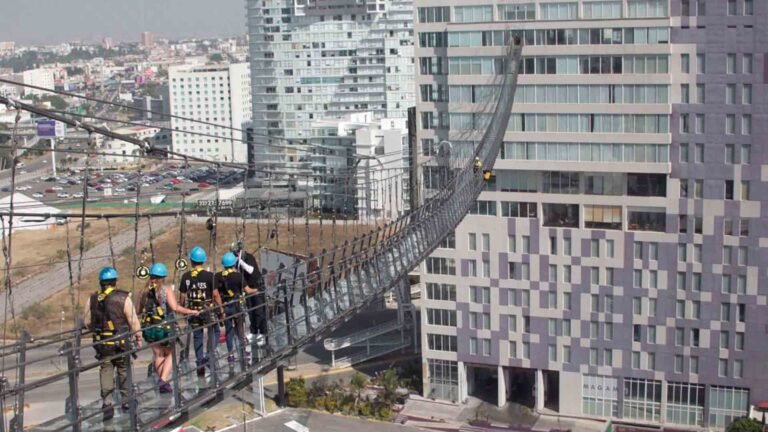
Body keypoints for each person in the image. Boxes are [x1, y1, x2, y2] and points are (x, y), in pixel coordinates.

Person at [83, 267, 142, 421]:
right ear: (115, 282)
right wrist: (138, 336)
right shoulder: (123, 298)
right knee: (123, 370)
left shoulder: (93, 299)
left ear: (101, 282)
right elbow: (132, 319)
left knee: (106, 370)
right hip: (121, 343)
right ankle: (127, 400)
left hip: (103, 343)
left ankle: (107, 402)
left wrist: (97, 330)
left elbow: (87, 322)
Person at [139, 263, 199, 393]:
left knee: (158, 354)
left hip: (149, 328)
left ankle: (162, 383)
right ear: (163, 277)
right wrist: (191, 311)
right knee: (173, 352)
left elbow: (139, 310)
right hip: (164, 327)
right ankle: (163, 380)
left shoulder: (144, 291)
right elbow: (175, 307)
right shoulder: (166, 290)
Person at [178, 246, 223, 378]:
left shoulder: (186, 277)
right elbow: (215, 295)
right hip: (208, 310)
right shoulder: (210, 276)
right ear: (203, 261)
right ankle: (209, 355)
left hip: (193, 311)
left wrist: (183, 310)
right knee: (214, 331)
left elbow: (182, 296)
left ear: (191, 261)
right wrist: (220, 310)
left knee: (197, 336)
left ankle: (200, 364)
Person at [230, 241, 267, 344]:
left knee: (259, 311)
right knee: (251, 310)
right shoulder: (237, 261)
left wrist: (240, 261)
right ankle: (254, 331)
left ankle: (263, 333)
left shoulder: (248, 257)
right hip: (247, 287)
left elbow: (251, 270)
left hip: (257, 287)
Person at [217, 252, 247, 364]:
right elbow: (247, 290)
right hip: (236, 306)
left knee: (228, 331)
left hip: (225, 307)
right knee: (240, 329)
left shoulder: (218, 276)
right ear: (234, 264)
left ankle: (231, 354)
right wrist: (256, 291)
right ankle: (243, 350)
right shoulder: (238, 276)